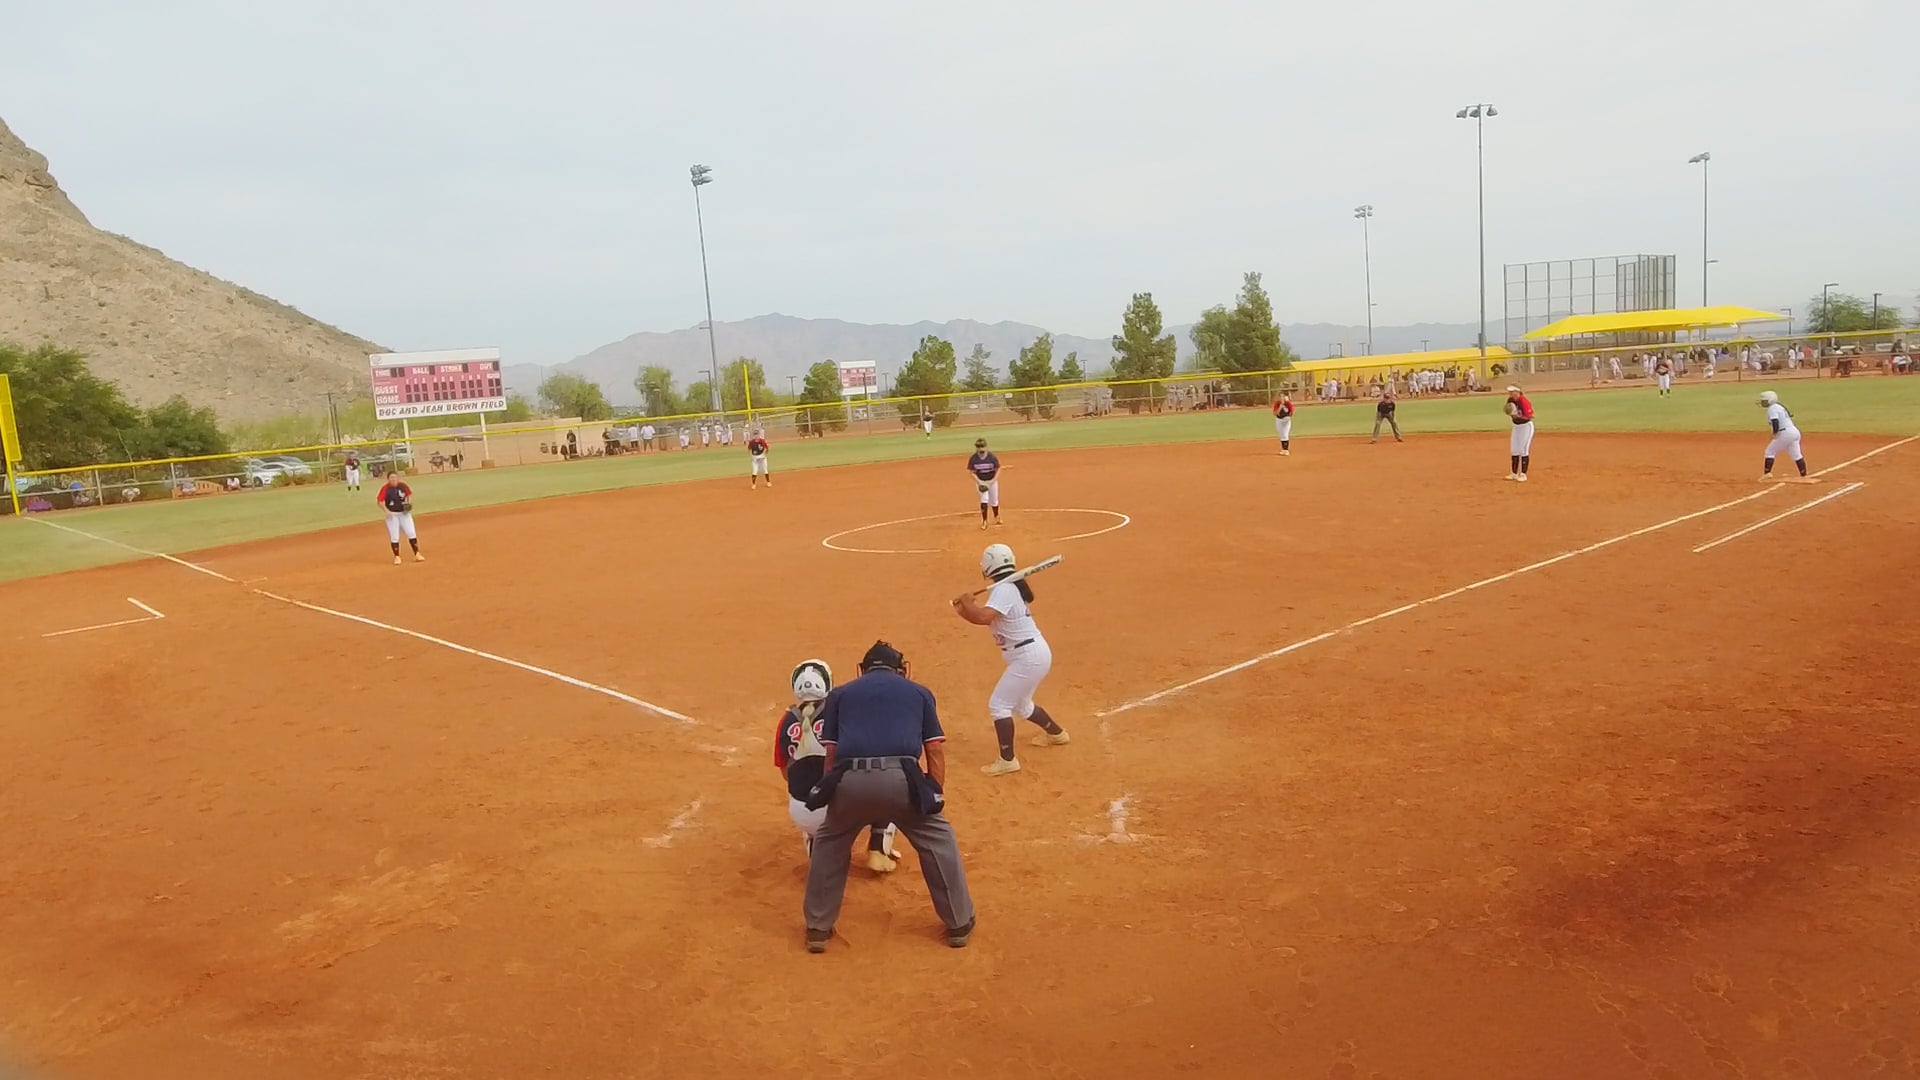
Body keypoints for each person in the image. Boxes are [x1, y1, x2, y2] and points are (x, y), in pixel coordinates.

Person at [802, 641, 975, 953]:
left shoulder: (839, 694)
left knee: (829, 842)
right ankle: (958, 924)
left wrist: (835, 796)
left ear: (862, 669)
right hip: (902, 782)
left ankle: (817, 928)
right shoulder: (919, 692)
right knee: (938, 838)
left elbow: (831, 755)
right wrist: (933, 793)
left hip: (851, 781)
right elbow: (934, 749)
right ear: (902, 669)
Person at [952, 543, 1069, 776]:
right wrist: (963, 608)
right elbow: (978, 618)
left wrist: (968, 603)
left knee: (999, 705)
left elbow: (983, 617)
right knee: (1021, 705)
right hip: (1031, 654)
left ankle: (1007, 760)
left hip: (1028, 656)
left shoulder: (1004, 590)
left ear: (987, 566)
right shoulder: (1007, 588)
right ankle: (1057, 734)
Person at [776, 659, 898, 872]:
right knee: (888, 783)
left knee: (811, 792)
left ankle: (818, 845)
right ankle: (878, 848)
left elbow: (785, 772)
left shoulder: (785, 720)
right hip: (839, 811)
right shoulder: (841, 713)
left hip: (801, 812)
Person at [1757, 390, 1808, 481]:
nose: (1763, 402)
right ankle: (1803, 474)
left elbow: (1775, 422)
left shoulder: (1772, 409)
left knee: (1770, 451)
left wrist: (1775, 433)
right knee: (1796, 454)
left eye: (1764, 401)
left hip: (1785, 433)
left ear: (1770, 400)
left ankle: (1767, 473)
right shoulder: (1779, 406)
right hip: (1794, 432)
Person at [375, 473, 424, 564]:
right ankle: (397, 557)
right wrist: (386, 511)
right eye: (391, 478)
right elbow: (380, 501)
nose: (393, 479)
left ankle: (417, 554)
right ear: (388, 479)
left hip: (404, 514)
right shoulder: (385, 488)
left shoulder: (403, 486)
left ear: (398, 478)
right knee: (394, 536)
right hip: (392, 515)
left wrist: (409, 503)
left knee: (411, 532)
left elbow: (409, 494)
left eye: (395, 477)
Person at [966, 437, 1002, 529]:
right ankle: (984, 521)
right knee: (984, 499)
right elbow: (971, 472)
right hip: (981, 482)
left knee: (994, 501)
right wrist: (980, 482)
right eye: (979, 447)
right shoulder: (973, 459)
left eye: (982, 447)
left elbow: (998, 469)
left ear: (986, 447)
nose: (981, 449)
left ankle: (996, 516)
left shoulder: (992, 457)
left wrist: (991, 481)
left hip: (992, 481)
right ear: (976, 448)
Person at [1504, 385, 1535, 483]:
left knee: (1523, 450)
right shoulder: (1510, 400)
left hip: (1526, 427)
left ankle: (1523, 474)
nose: (1510, 393)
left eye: (1512, 391)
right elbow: (1509, 411)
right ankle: (1514, 473)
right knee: (1514, 450)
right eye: (1509, 392)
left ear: (1518, 392)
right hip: (1516, 427)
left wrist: (1518, 415)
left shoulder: (1523, 401)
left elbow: (1531, 416)